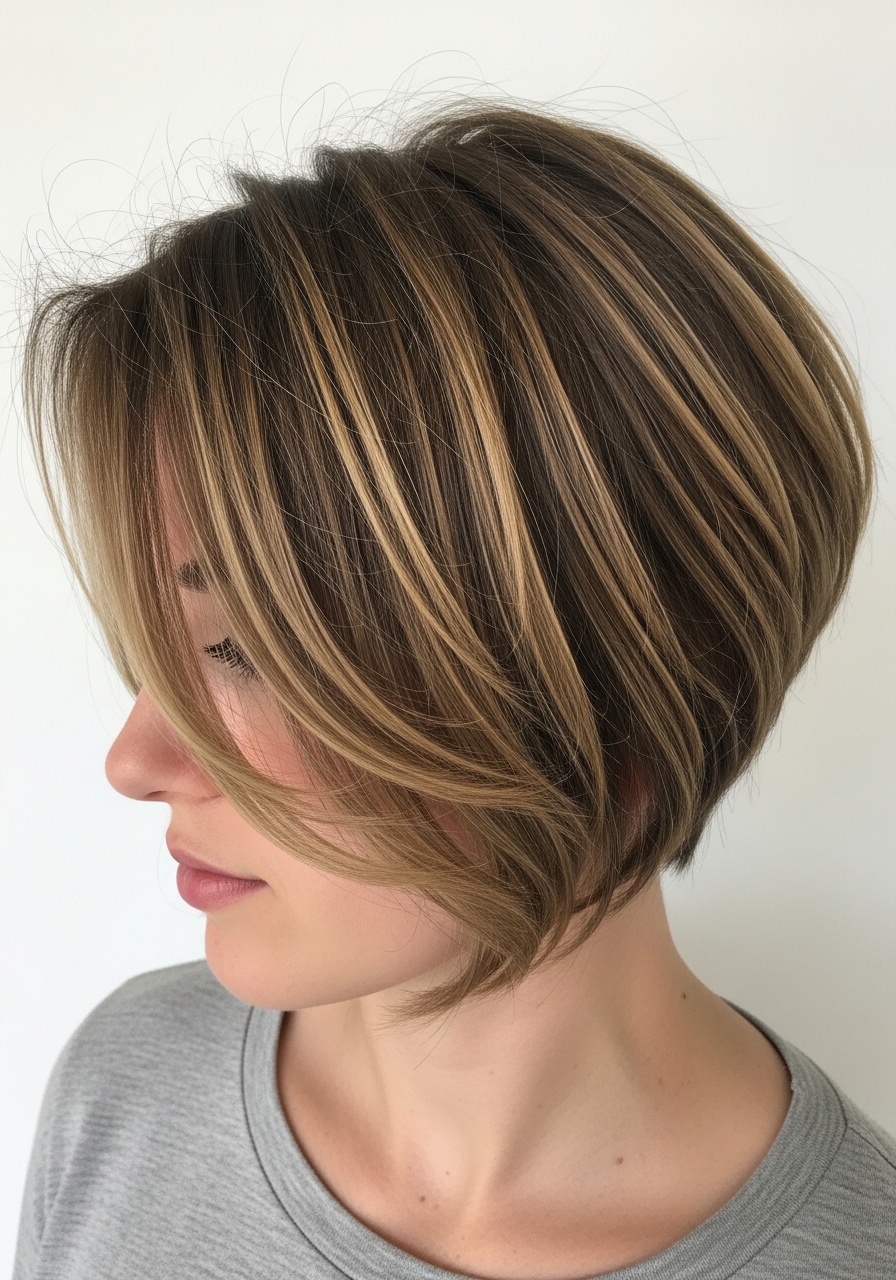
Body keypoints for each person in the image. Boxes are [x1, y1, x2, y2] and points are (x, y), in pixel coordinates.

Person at [13, 98, 895, 1280]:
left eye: (242, 649)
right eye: (154, 640)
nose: (135, 760)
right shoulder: (125, 1089)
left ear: (622, 703)